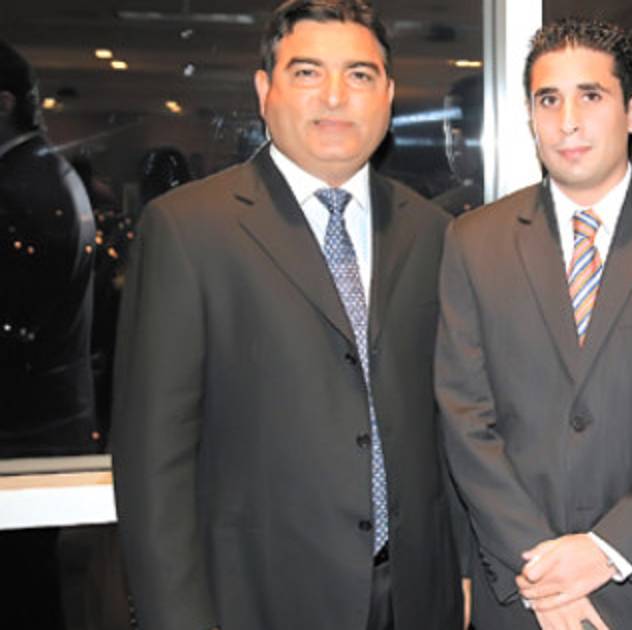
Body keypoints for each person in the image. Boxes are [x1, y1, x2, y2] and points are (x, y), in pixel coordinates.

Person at [109, 2, 464, 629]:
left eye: (359, 75)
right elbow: (153, 463)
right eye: (307, 73)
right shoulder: (189, 231)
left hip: (415, 597)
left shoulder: (433, 232)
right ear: (264, 89)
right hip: (256, 600)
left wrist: (463, 579)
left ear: (388, 96)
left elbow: (451, 427)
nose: (335, 96)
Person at [437, 17, 632, 630]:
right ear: (530, 116)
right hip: (522, 594)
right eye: (548, 100)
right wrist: (546, 576)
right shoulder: (473, 242)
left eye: (591, 96)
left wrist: (606, 551)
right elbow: (464, 420)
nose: (567, 121)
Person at [0, 38, 97, 458]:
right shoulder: (46, 171)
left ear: (4, 103)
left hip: (22, 429)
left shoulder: (17, 188)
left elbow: (14, 321)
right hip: (47, 419)